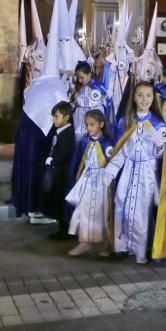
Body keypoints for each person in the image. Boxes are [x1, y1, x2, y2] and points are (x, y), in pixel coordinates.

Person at [101, 81, 166, 264]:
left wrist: (158, 146)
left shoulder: (157, 123)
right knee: (121, 206)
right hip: (128, 171)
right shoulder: (126, 121)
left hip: (147, 172)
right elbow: (121, 150)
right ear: (133, 97)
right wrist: (110, 171)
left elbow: (162, 154)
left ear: (153, 98)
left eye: (148, 95)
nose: (144, 99)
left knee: (141, 212)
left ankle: (140, 250)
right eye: (140, 95)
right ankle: (121, 247)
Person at [65, 109, 114, 257]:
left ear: (101, 124)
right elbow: (77, 162)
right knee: (84, 210)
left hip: (103, 182)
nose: (89, 128)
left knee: (102, 212)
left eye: (92, 124)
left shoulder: (108, 143)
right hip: (87, 181)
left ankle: (107, 243)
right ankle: (84, 242)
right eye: (87, 125)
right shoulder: (84, 142)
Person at [39, 101, 76, 241]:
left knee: (61, 201)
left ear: (66, 118)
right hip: (57, 171)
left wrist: (52, 161)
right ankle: (61, 227)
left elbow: (64, 152)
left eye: (56, 116)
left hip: (62, 173)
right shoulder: (59, 132)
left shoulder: (67, 133)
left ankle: (65, 230)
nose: (54, 119)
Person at [71, 62, 110, 140]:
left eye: (82, 77)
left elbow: (105, 103)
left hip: (92, 120)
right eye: (78, 77)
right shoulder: (79, 87)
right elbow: (74, 103)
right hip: (79, 121)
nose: (79, 80)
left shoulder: (98, 87)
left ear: (89, 74)